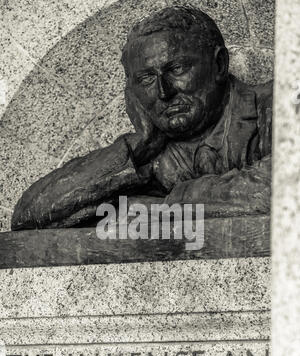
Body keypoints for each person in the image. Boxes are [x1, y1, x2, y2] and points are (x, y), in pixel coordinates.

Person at [11, 5, 272, 230]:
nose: (163, 91)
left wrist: (167, 206)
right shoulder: (149, 156)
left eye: (177, 68)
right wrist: (137, 147)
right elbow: (29, 216)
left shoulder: (279, 103)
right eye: (147, 79)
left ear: (219, 65)